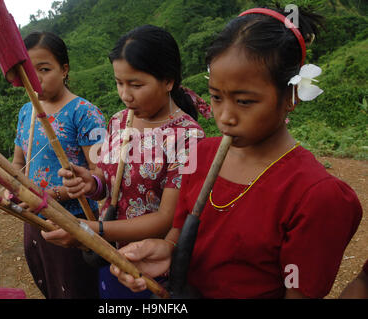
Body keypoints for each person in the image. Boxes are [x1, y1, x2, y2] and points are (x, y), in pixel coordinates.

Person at [110, 7, 363, 299]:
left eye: (244, 101)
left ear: (291, 97)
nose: (225, 117)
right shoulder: (199, 155)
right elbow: (179, 235)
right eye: (216, 97)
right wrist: (166, 251)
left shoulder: (316, 196)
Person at [41, 25, 208, 298]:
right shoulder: (119, 121)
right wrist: (91, 182)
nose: (125, 95)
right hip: (113, 256)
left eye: (136, 85)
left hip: (152, 267)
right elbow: (108, 182)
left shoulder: (187, 137)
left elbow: (166, 219)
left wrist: (90, 230)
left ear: (168, 81)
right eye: (119, 83)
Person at [12, 31, 106, 298]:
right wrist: (12, 187)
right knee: (50, 285)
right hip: (33, 218)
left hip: (73, 221)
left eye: (44, 69)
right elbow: (19, 162)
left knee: (76, 289)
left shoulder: (85, 112)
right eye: (29, 72)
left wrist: (51, 196)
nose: (37, 79)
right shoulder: (27, 111)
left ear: (64, 69)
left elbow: (100, 174)